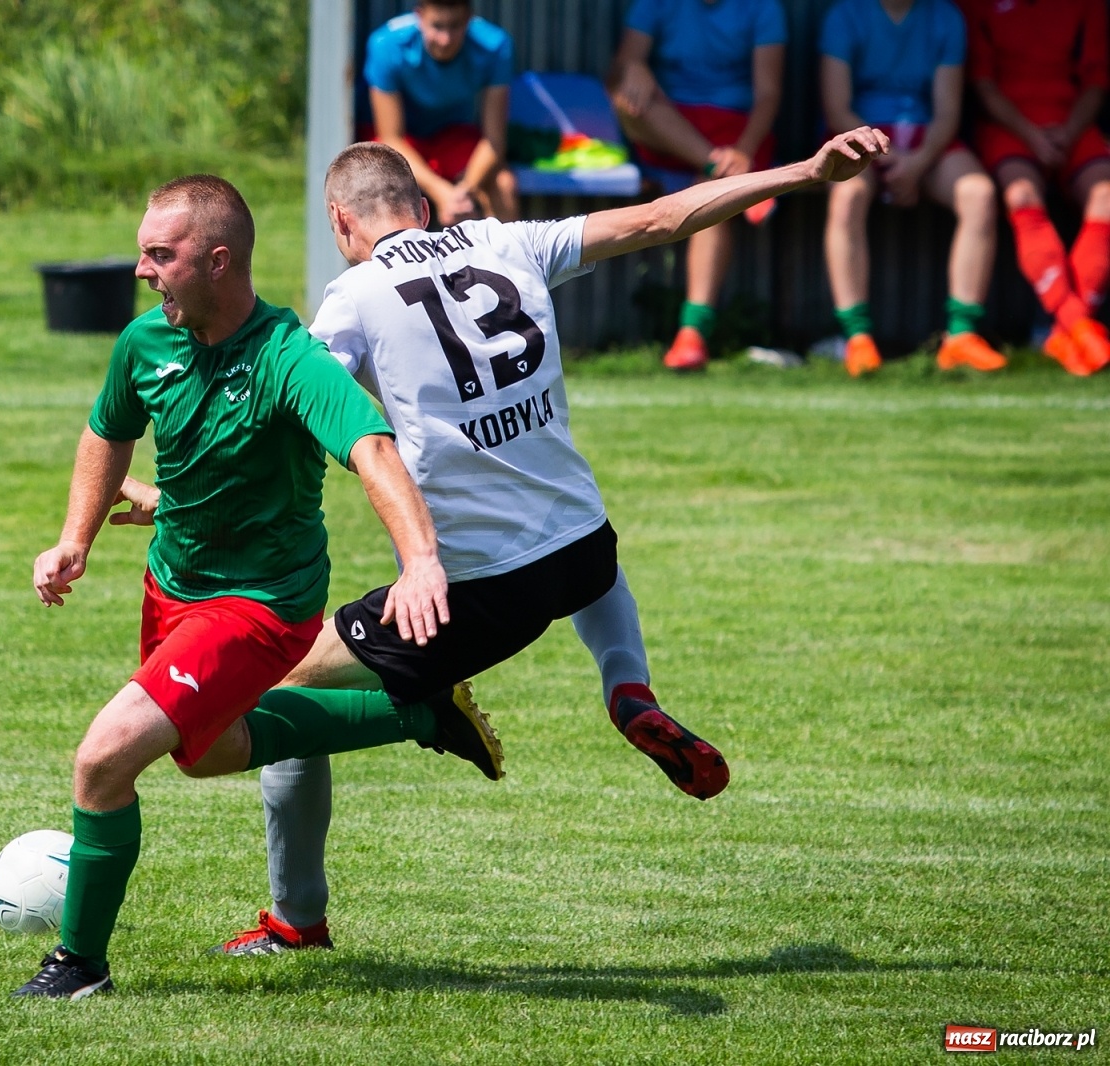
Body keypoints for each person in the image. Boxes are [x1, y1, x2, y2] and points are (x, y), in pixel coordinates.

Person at [207, 127, 891, 956]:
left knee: (272, 694)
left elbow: (283, 410)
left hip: (468, 591)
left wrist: (171, 492)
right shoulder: (509, 241)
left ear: (343, 228)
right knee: (589, 554)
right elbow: (662, 218)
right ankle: (626, 684)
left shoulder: (352, 297)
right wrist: (805, 169)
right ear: (422, 209)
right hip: (581, 554)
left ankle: (300, 913)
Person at [18, 174, 497, 1000]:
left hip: (262, 606)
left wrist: (420, 561)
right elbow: (108, 431)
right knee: (209, 756)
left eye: (159, 256)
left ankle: (77, 965)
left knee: (103, 759)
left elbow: (373, 449)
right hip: (174, 588)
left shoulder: (289, 359)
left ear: (218, 261)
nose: (141, 269)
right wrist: (75, 540)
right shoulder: (146, 343)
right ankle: (416, 707)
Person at [819, 0, 1006, 376]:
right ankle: (857, 339)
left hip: (927, 142)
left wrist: (915, 164)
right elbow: (837, 108)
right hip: (858, 135)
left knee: (979, 194)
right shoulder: (843, 16)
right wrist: (885, 157)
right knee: (847, 196)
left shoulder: (947, 18)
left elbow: (947, 112)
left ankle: (961, 337)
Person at [607, 0, 788, 371]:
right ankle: (721, 172)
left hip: (739, 136)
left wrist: (745, 153)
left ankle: (692, 335)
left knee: (712, 202)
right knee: (629, 100)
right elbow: (617, 78)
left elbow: (768, 94)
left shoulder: (765, 9)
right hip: (672, 131)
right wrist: (634, 68)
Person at [964, 0, 1110, 376]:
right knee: (1021, 195)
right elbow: (983, 84)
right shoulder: (978, 6)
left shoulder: (1087, 5)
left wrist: (1069, 132)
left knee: (1106, 196)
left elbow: (1096, 80)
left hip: (1072, 124)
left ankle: (1065, 332)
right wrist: (1031, 134)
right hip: (1010, 126)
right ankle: (1077, 323)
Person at [364, 0, 518, 226]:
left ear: (468, 19)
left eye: (455, 26)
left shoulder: (495, 45)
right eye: (437, 26)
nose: (446, 40)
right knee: (379, 186)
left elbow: (494, 140)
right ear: (420, 16)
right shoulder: (385, 45)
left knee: (503, 184)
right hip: (404, 141)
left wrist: (464, 192)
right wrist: (441, 193)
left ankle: (508, 261)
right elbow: (391, 138)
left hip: (454, 136)